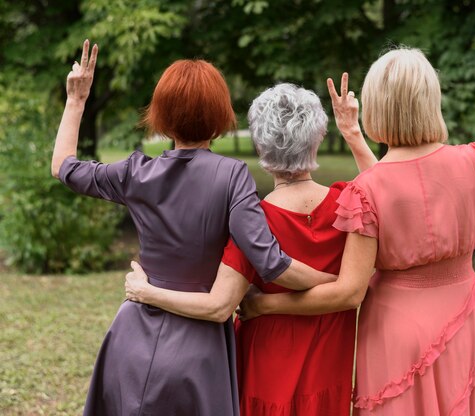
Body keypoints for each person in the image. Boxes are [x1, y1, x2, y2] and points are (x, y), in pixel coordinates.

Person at [236, 48, 475, 415]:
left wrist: (263, 305)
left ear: (377, 105)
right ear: (431, 99)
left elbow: (348, 291)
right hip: (461, 317)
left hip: (393, 330)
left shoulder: (366, 191)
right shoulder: (473, 162)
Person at [51, 40, 337, 416]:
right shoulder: (231, 175)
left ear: (162, 117)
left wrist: (76, 100)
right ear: (220, 117)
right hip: (198, 348)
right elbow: (271, 263)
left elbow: (64, 168)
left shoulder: (136, 172)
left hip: (130, 336)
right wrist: (334, 282)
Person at [124, 81, 377, 416]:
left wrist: (146, 292)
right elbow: (383, 190)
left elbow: (218, 303)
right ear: (318, 139)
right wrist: (352, 133)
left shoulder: (252, 222)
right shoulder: (351, 204)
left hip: (265, 371)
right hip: (329, 369)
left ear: (260, 148)